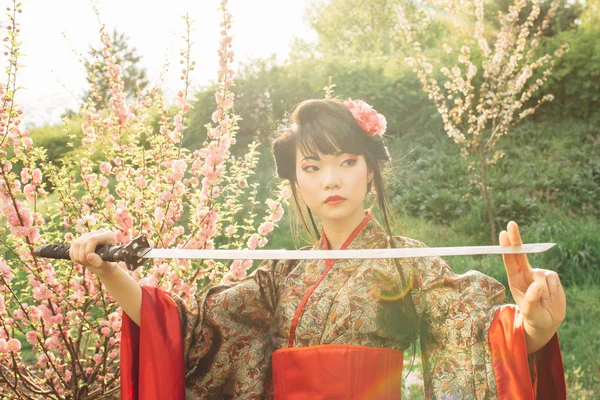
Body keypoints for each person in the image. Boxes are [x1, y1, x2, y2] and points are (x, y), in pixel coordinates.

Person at [69, 98, 567, 400]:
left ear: (370, 169)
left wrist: (534, 327)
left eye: (346, 161)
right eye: (311, 168)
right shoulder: (281, 273)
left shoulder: (407, 261)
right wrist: (110, 271)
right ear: (296, 183)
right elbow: (193, 332)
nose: (330, 179)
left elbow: (474, 330)